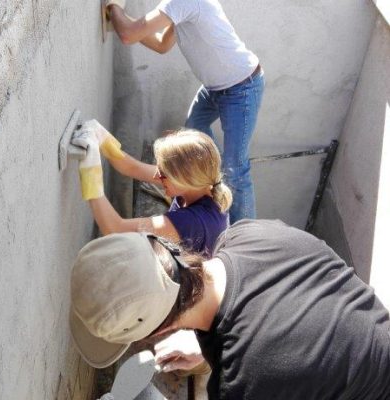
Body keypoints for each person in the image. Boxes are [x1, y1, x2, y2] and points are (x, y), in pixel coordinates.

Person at [70, 219, 390, 399]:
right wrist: (206, 346)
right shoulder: (248, 234)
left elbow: (270, 355)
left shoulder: (245, 383)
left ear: (161, 330)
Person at [105, 0, 265, 224]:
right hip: (215, 88)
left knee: (235, 167)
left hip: (242, 87)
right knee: (194, 133)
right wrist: (121, 19)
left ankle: (247, 236)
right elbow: (161, 44)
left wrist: (113, 7)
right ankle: (214, 189)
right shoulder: (178, 5)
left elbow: (129, 35)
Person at [71, 120, 232, 255]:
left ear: (185, 179)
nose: (156, 177)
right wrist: (101, 136)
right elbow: (132, 167)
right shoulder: (198, 186)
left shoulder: (191, 223)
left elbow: (115, 229)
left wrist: (89, 168)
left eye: (163, 173)